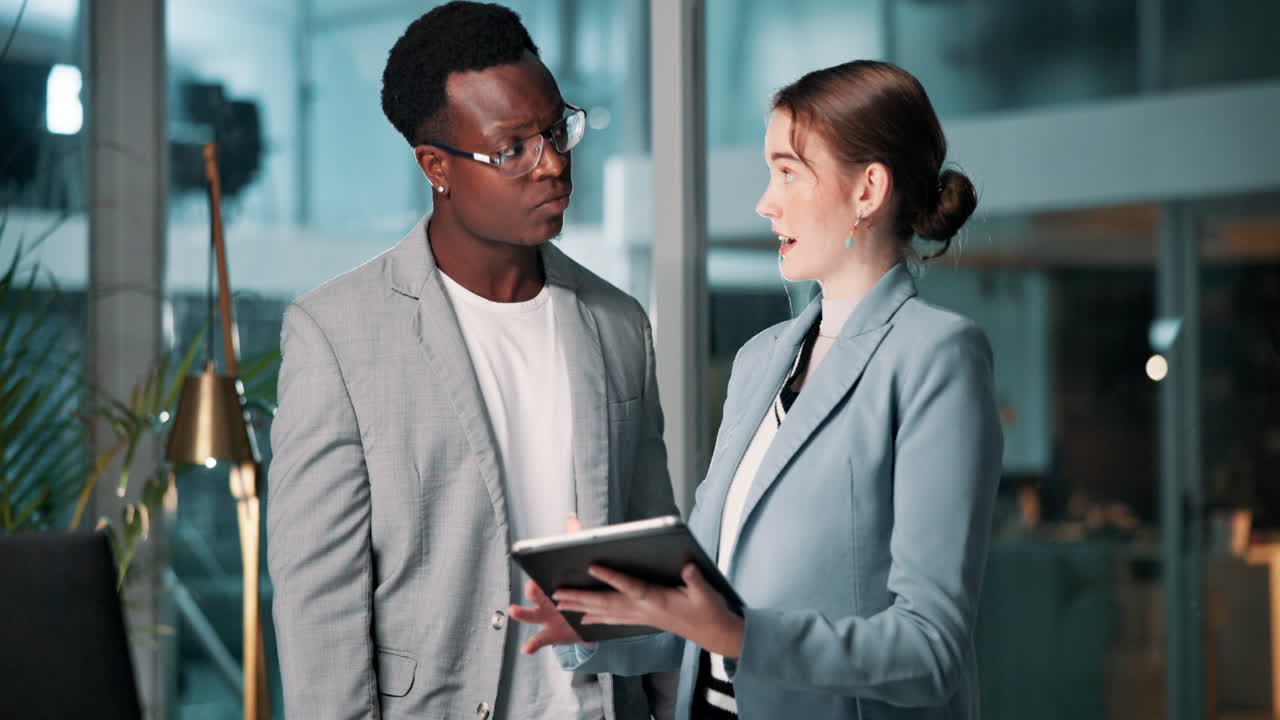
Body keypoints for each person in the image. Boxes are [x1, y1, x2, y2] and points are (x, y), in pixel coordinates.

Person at [511, 59, 1004, 720]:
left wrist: (741, 635)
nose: (765, 201)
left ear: (868, 190)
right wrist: (600, 617)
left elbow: (929, 649)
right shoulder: (761, 359)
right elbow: (708, 609)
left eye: (788, 172)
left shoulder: (937, 357)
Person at [266, 3, 678, 718]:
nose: (552, 163)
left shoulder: (618, 324)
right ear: (437, 167)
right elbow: (319, 618)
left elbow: (654, 574)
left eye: (557, 129)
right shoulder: (333, 336)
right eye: (512, 148)